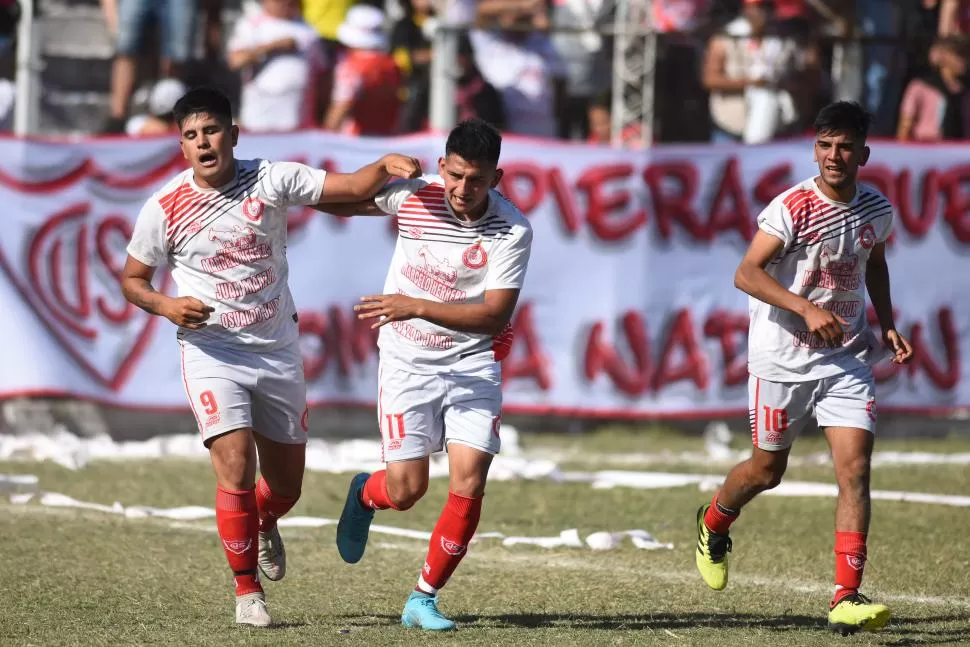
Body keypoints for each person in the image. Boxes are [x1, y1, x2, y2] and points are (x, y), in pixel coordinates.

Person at [120, 87, 421, 627]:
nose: (202, 142)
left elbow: (348, 189)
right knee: (235, 465)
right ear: (181, 147)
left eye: (211, 130)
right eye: (190, 135)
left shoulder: (271, 178)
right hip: (212, 350)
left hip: (277, 349)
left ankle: (264, 521)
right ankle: (247, 593)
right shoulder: (164, 208)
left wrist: (381, 167)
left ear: (234, 135)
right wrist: (166, 305)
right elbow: (133, 280)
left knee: (285, 488)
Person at [693, 100, 914, 635]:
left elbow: (875, 264)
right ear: (815, 149)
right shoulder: (792, 207)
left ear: (863, 152)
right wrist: (806, 307)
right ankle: (714, 521)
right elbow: (746, 273)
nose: (833, 156)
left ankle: (845, 597)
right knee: (767, 472)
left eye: (843, 147)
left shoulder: (875, 210)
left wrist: (886, 322)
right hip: (781, 358)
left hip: (845, 358)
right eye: (824, 145)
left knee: (855, 470)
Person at [322, 118, 533, 631]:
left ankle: (424, 598)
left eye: (477, 180)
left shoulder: (512, 229)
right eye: (456, 176)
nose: (464, 189)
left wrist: (415, 304)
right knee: (405, 491)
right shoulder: (414, 196)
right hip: (407, 362)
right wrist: (376, 170)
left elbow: (494, 316)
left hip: (472, 363)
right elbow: (333, 201)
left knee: (470, 480)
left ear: (497, 179)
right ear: (442, 167)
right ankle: (364, 494)